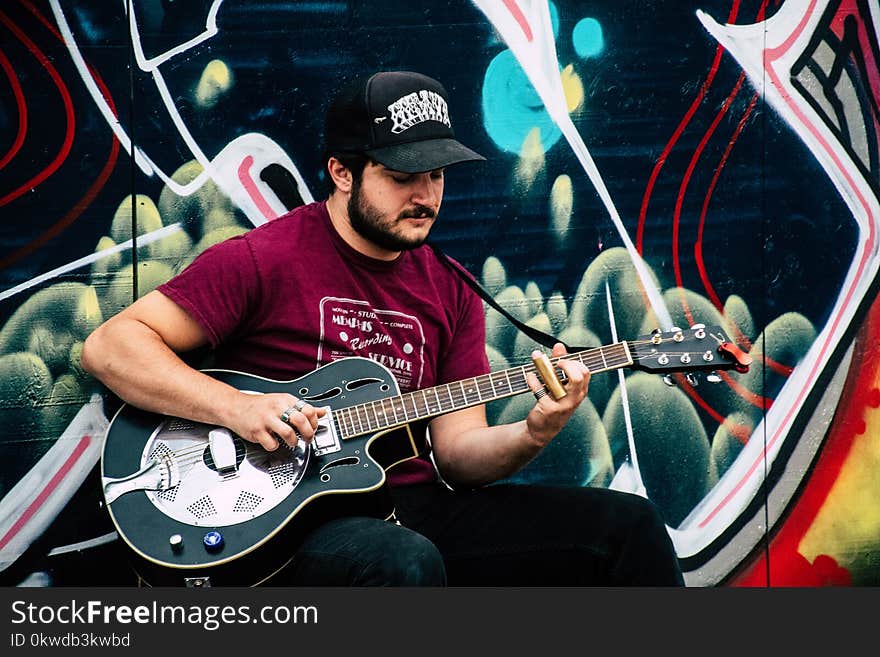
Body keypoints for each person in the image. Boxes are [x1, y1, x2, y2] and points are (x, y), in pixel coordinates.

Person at [81, 70, 684, 586]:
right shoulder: (266, 258)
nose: (425, 196)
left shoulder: (450, 287)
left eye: (438, 175)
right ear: (342, 173)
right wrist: (238, 408)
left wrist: (536, 429)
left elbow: (457, 455)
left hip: (414, 506)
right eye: (403, 176)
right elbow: (111, 348)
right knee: (402, 562)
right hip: (288, 521)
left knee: (628, 530)